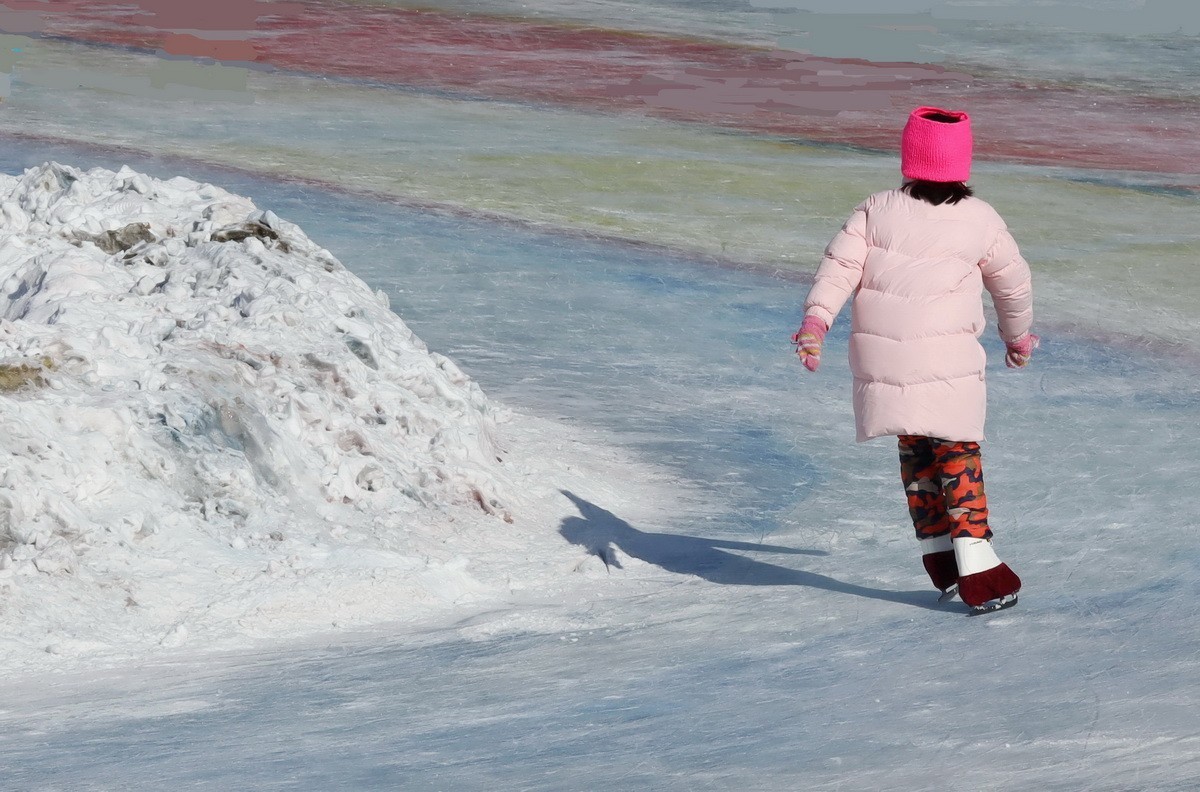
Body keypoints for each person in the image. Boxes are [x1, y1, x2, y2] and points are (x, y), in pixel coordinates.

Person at [792, 105, 1038, 613]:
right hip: (948, 364)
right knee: (958, 454)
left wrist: (816, 323)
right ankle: (980, 568)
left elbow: (837, 269)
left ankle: (939, 557)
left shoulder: (874, 210)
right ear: (963, 163)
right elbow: (1012, 286)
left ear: (910, 157)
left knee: (917, 452)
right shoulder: (980, 218)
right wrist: (1017, 339)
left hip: (888, 363)